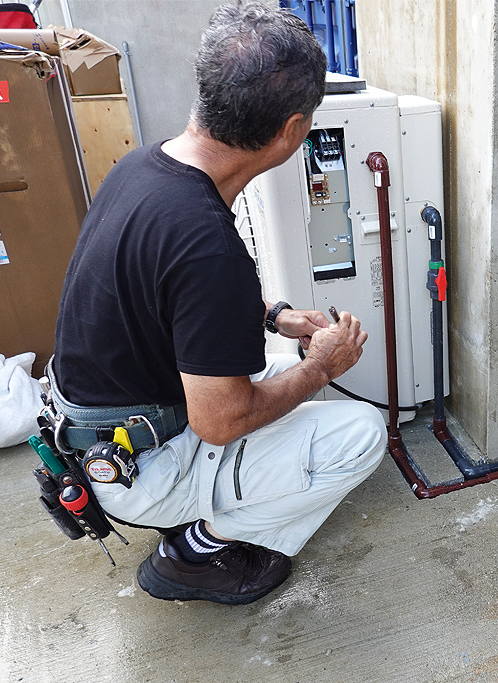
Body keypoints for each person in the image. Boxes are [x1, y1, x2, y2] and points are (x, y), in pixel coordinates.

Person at [50, 1, 387, 605]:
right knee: (360, 432)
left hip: (98, 427)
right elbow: (220, 421)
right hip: (139, 467)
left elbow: (171, 296)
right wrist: (321, 368)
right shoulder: (209, 246)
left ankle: (204, 508)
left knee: (276, 370)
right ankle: (195, 552)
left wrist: (275, 317)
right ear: (291, 130)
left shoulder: (144, 168)